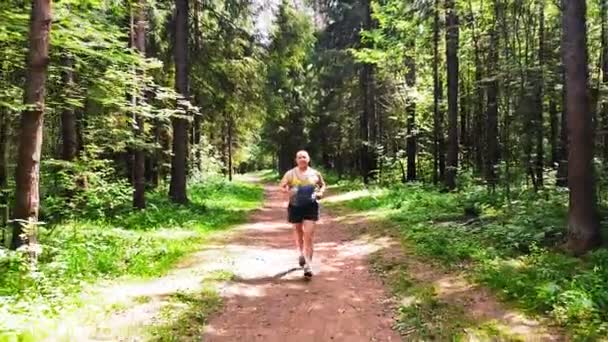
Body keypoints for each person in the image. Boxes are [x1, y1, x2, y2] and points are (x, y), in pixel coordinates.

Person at [279, 150, 326, 278]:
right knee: (299, 233)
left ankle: (308, 266)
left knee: (309, 235)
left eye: (304, 157)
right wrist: (289, 191)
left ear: (308, 159)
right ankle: (301, 254)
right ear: (296, 160)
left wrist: (320, 193)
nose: (302, 159)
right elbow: (282, 186)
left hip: (311, 206)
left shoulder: (315, 173)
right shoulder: (290, 174)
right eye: (299, 157)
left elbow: (322, 185)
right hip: (295, 207)